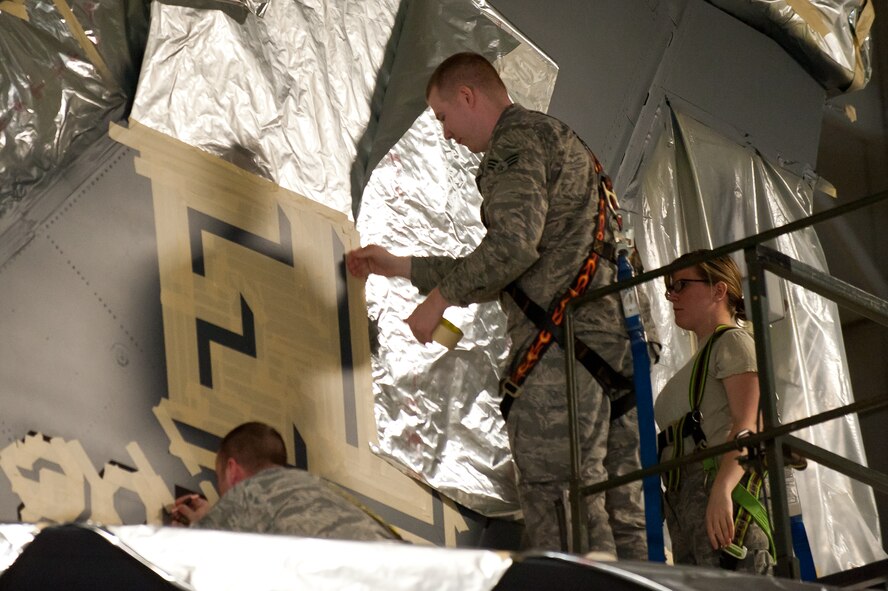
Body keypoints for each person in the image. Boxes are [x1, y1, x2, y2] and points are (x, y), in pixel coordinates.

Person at [346, 52, 652, 556]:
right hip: (612, 350)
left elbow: (511, 246)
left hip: (564, 355)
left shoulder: (515, 142)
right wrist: (400, 266)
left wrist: (439, 301)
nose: (446, 134)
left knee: (559, 499)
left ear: (468, 96)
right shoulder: (560, 141)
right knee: (621, 514)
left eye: (444, 116)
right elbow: (519, 263)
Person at [655, 251, 772, 574]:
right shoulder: (702, 358)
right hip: (687, 502)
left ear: (719, 290)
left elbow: (750, 423)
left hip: (719, 488)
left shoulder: (732, 342)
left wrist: (722, 490)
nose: (671, 295)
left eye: (681, 285)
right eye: (669, 287)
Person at [171, 422, 400, 542]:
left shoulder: (247, 494)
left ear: (232, 470)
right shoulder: (318, 488)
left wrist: (198, 526)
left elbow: (201, 557)